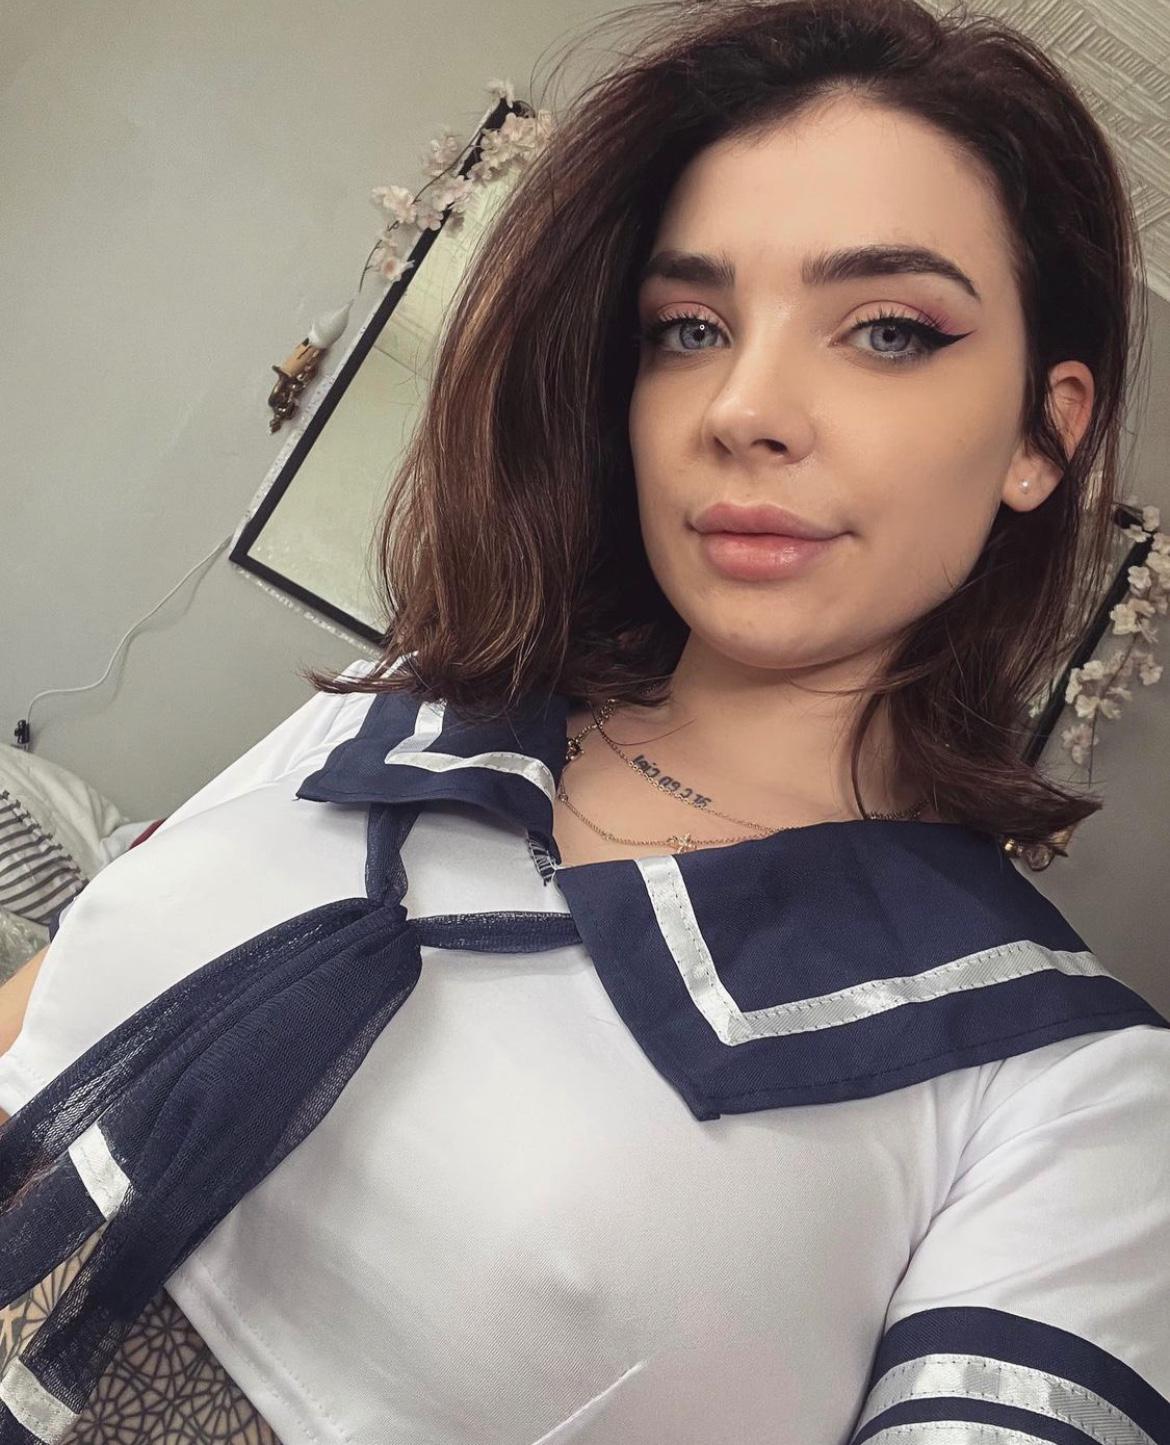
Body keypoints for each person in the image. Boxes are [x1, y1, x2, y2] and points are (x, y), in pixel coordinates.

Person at [2, 0, 1168, 1440]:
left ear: (1045, 433)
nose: (741, 406)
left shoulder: (1072, 1093)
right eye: (689, 328)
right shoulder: (408, 705)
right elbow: (37, 1022)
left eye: (886, 330)